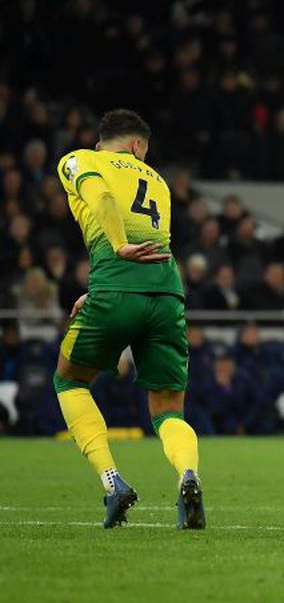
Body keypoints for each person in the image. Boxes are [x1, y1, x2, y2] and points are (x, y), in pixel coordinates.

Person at [53, 109, 205, 529]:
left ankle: (112, 482)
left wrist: (117, 249)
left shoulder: (81, 159)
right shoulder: (158, 181)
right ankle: (188, 475)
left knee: (69, 380)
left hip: (116, 284)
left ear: (105, 142)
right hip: (167, 294)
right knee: (168, 409)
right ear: (138, 146)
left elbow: (101, 199)